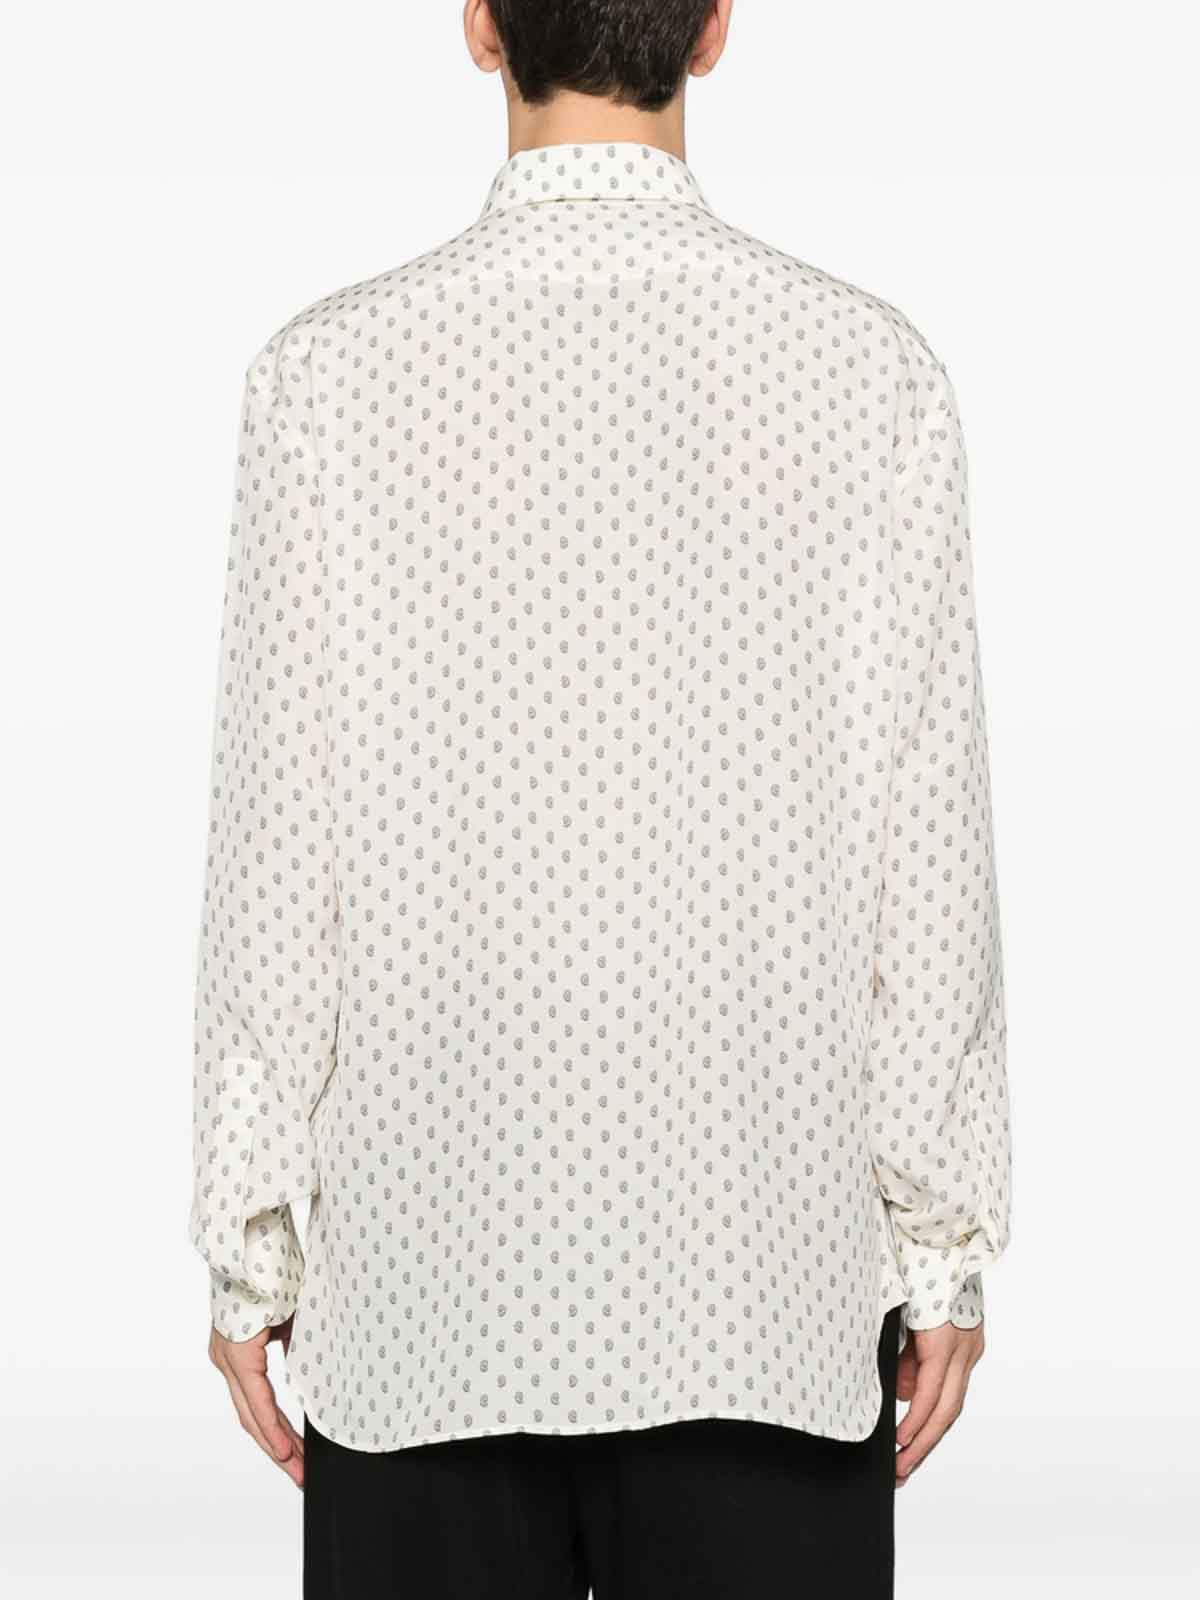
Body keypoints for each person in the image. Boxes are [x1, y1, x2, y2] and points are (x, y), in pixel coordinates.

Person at [188, 2, 1012, 1594]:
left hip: (426, 1312)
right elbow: (931, 870)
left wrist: (249, 1253)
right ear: (715, 32)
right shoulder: (873, 377)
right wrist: (942, 1252)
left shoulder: (326, 381)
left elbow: (278, 866)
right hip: (764, 1307)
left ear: (479, 27)